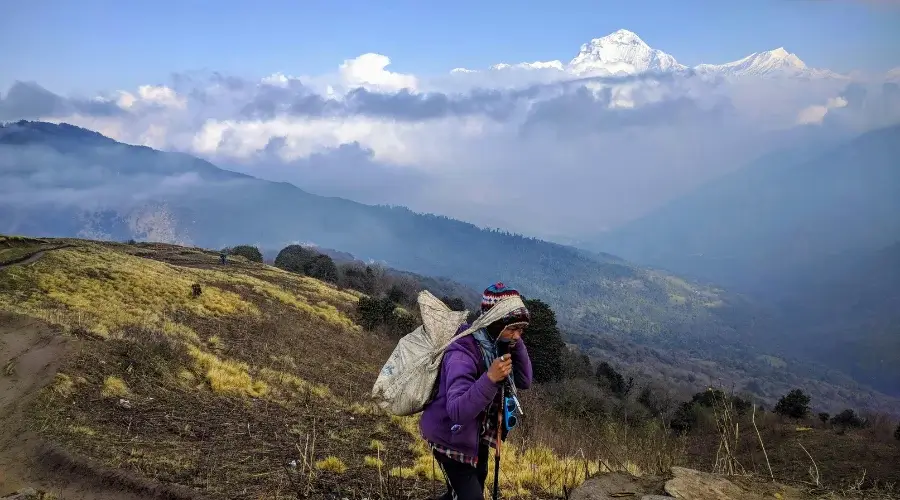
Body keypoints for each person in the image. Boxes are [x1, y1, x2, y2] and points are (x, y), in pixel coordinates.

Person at [420, 282, 533, 500]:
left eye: (521, 330)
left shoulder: (498, 343)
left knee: (473, 486)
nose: (518, 335)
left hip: (476, 435)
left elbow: (524, 380)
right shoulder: (462, 351)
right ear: (493, 322)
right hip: (449, 437)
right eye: (512, 328)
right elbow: (457, 411)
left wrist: (513, 340)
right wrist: (490, 379)